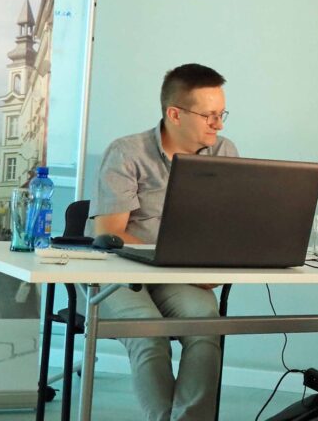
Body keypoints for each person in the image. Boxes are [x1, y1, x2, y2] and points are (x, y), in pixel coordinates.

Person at [88, 63, 236, 421]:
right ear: (175, 114)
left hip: (179, 275)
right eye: (209, 115)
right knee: (149, 333)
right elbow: (109, 233)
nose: (218, 124)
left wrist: (212, 266)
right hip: (120, 272)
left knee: (206, 327)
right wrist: (181, 266)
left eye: (221, 114)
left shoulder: (224, 152)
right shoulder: (127, 152)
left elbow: (226, 226)